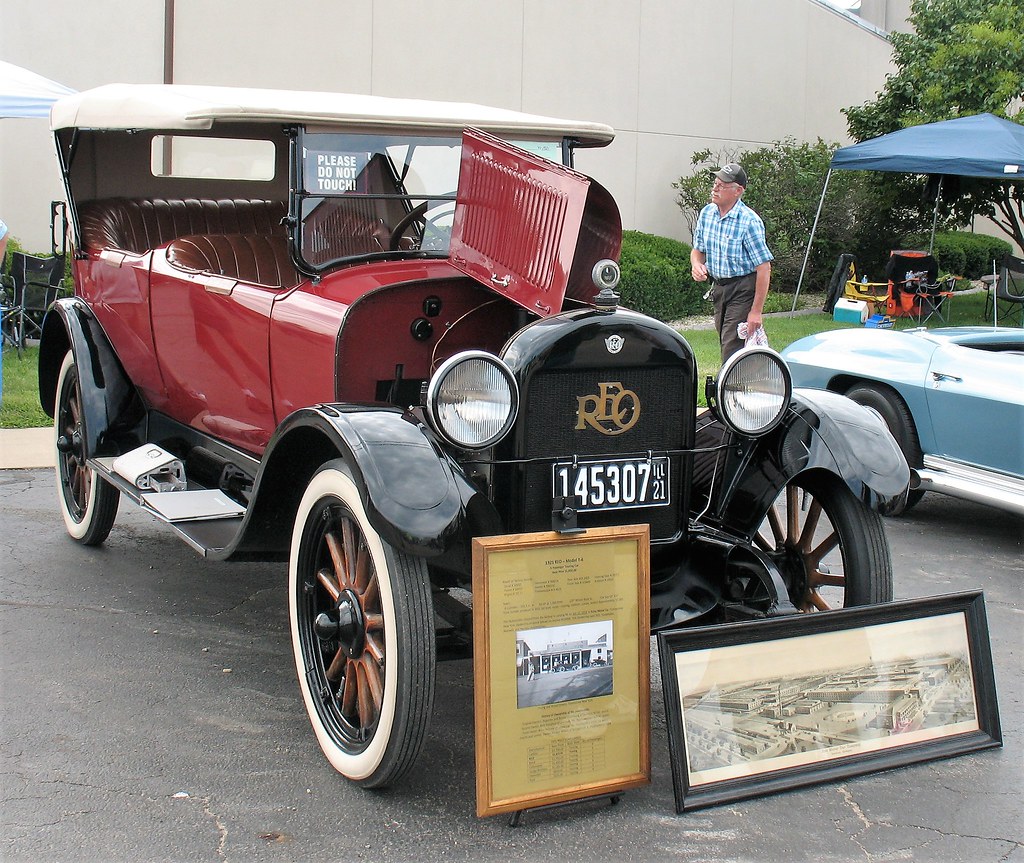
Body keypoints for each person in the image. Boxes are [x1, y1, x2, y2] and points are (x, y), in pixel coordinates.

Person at [689, 163, 773, 362]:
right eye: (715, 184)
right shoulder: (707, 214)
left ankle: (727, 381)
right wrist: (696, 265)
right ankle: (745, 378)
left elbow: (764, 268)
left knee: (731, 345)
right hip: (719, 288)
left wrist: (756, 312)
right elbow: (697, 250)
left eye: (722, 185)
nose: (715, 189)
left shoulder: (749, 222)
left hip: (743, 289)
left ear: (738, 191)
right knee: (725, 339)